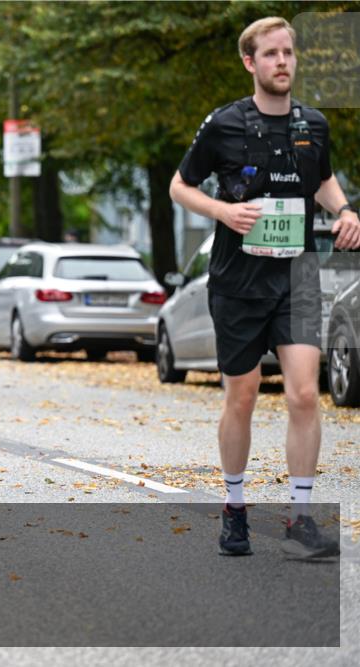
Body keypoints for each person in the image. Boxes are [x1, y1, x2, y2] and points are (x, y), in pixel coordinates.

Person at [170, 16, 359, 559]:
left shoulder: (313, 124)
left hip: (296, 275)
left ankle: (302, 519)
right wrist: (223, 210)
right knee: (244, 394)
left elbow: (321, 178)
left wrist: (345, 210)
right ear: (250, 63)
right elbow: (180, 185)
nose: (283, 62)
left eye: (289, 52)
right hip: (238, 280)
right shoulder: (225, 124)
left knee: (303, 393)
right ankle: (234, 509)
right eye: (271, 54)